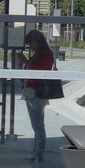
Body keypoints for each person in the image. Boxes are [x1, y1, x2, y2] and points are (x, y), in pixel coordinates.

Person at [22, 29, 55, 161]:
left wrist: (25, 61)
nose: (30, 46)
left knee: (38, 125)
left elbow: (37, 70)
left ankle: (38, 153)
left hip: (37, 92)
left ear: (37, 42)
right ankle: (36, 152)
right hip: (32, 91)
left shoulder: (46, 54)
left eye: (31, 43)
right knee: (36, 124)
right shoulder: (39, 54)